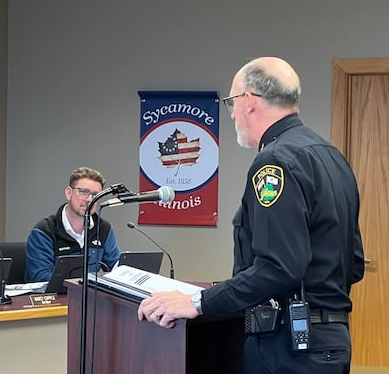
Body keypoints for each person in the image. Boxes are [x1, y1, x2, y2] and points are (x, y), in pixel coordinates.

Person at [138, 57, 365, 373]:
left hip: (287, 349)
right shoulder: (332, 157)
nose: (230, 113)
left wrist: (196, 302)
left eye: (231, 103)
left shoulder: (275, 161)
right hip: (330, 341)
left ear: (249, 101)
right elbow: (353, 265)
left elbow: (279, 267)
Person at [25, 167, 121, 283]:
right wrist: (82, 284)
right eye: (84, 192)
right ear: (69, 193)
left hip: (88, 297)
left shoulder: (103, 229)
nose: (89, 199)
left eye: (96, 195)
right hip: (56, 298)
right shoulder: (45, 231)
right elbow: (41, 278)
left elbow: (117, 268)